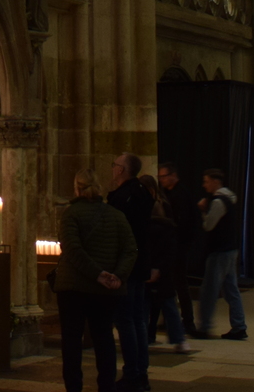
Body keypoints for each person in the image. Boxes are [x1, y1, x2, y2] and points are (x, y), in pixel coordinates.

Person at [57, 168, 136, 392]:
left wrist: (97, 274)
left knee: (72, 341)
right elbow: (130, 249)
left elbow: (73, 250)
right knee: (104, 339)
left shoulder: (71, 214)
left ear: (77, 188)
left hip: (74, 288)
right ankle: (106, 386)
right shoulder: (116, 215)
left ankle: (74, 387)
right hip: (107, 290)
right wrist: (117, 276)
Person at [106, 152, 154, 391]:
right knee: (137, 319)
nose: (112, 168)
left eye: (115, 164)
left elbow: (119, 234)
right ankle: (140, 372)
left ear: (122, 170)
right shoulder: (142, 191)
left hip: (126, 266)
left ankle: (133, 374)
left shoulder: (124, 197)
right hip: (139, 263)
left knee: (126, 320)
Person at [137, 176, 194, 355]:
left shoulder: (151, 220)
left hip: (154, 267)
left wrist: (154, 267)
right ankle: (159, 338)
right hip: (158, 267)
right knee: (162, 305)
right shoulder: (163, 216)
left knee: (154, 305)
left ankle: (145, 338)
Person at [192, 168, 247, 340]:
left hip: (219, 251)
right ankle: (239, 326)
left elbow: (208, 225)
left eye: (206, 181)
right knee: (231, 289)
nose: (204, 185)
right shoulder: (229, 198)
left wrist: (203, 211)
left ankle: (204, 327)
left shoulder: (218, 202)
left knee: (209, 290)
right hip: (230, 249)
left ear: (216, 182)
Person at [155, 163, 201, 337]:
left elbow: (183, 223)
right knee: (171, 284)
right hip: (172, 245)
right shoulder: (168, 193)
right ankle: (169, 320)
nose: (161, 180)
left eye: (163, 176)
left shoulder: (180, 194)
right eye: (159, 177)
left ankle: (187, 322)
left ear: (173, 175)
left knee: (179, 283)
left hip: (178, 247)